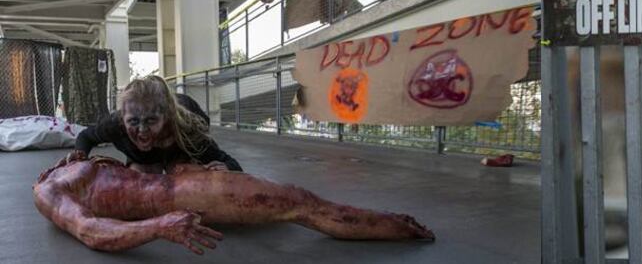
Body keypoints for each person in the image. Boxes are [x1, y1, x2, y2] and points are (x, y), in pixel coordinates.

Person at [33, 157, 433, 255]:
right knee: (299, 204)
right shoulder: (51, 191)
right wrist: (159, 225)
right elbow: (90, 231)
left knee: (297, 201)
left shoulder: (77, 166)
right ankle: (391, 226)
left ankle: (387, 222)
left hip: (181, 183)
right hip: (178, 197)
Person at [62, 76, 240, 173]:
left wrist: (227, 168)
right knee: (142, 175)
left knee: (179, 172)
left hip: (179, 149)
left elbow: (230, 163)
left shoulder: (187, 130)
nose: (142, 130)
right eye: (133, 121)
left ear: (166, 117)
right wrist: (79, 158)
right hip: (144, 159)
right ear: (123, 119)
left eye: (150, 121)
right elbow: (86, 136)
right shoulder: (115, 125)